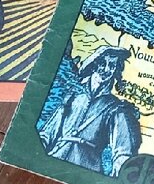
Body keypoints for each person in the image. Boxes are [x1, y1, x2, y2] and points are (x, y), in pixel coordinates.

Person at [39, 46, 141, 175]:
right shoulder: (73, 95)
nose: (106, 69)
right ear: (94, 65)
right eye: (102, 64)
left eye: (112, 66)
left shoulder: (116, 108)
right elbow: (48, 132)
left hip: (86, 169)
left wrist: (120, 170)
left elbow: (122, 151)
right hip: (56, 157)